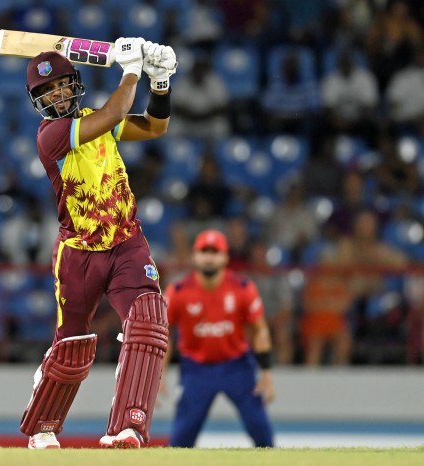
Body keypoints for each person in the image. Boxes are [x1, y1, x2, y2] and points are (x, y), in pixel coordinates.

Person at [18, 38, 177, 450]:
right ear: (37, 102)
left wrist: (160, 83)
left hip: (126, 242)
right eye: (46, 93)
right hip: (78, 254)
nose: (56, 96)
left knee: (148, 320)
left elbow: (156, 126)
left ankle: (128, 427)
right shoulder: (51, 135)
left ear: (75, 85)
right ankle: (43, 427)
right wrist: (131, 69)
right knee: (72, 347)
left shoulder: (96, 118)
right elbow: (116, 111)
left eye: (62, 86)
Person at [162, 229, 275, 448]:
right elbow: (164, 334)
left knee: (261, 431)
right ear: (195, 256)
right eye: (205, 251)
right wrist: (159, 374)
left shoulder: (243, 288)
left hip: (237, 367)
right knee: (181, 439)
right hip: (196, 370)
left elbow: (260, 330)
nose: (209, 257)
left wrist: (267, 373)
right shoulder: (178, 292)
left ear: (225, 257)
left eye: (215, 252)